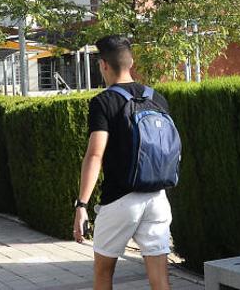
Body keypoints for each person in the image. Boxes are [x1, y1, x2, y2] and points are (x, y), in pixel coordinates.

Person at [74, 35, 173, 290]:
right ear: (131, 62)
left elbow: (95, 154)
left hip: (120, 200)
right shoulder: (157, 98)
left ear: (104, 65)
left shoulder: (103, 102)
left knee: (103, 272)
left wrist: (82, 205)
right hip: (157, 197)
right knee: (160, 278)